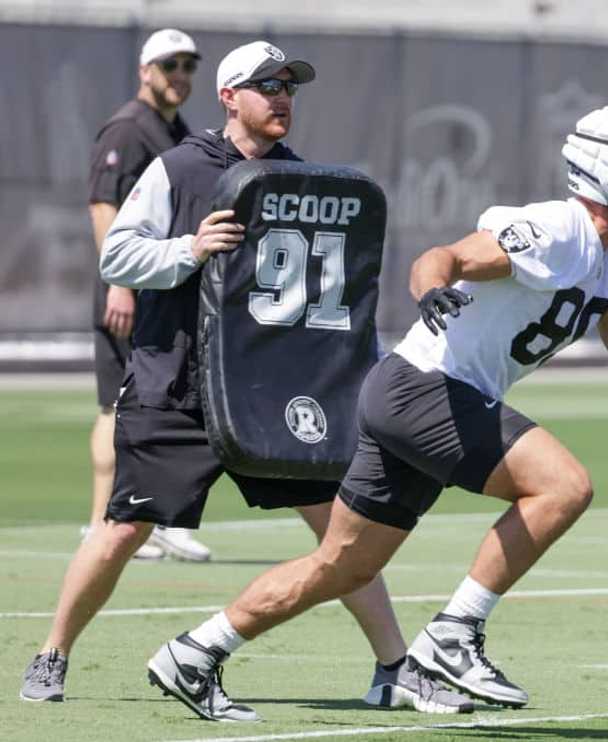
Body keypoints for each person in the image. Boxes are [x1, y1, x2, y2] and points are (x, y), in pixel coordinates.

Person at [148, 102, 608, 720]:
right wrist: (432, 291)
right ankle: (455, 634)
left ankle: (195, 651)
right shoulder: (560, 229)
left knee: (341, 567)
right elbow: (442, 258)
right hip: (423, 387)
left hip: (413, 395)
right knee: (563, 486)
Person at [20, 40, 472, 719]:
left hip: (271, 391)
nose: (282, 95)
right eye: (267, 85)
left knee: (339, 535)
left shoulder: (308, 180)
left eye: (289, 85)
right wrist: (188, 248)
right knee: (123, 528)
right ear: (230, 97)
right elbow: (118, 252)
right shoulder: (180, 167)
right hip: (176, 382)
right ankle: (52, 652)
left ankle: (394, 668)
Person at [86, 28, 212, 563]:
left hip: (162, 292)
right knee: (115, 406)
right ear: (145, 70)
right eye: (170, 65)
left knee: (161, 405)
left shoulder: (173, 128)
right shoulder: (128, 128)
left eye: (188, 65)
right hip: (129, 289)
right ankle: (100, 523)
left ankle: (156, 518)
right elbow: (102, 207)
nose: (180, 75)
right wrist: (120, 284)